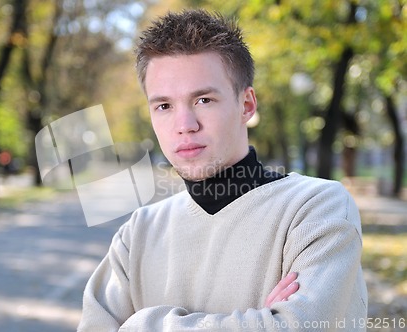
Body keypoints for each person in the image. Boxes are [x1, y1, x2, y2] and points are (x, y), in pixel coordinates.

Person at [78, 9, 367, 331]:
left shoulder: (316, 209)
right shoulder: (138, 233)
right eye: (164, 106)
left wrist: (141, 324)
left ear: (246, 105)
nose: (184, 125)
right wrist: (258, 322)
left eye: (203, 100)